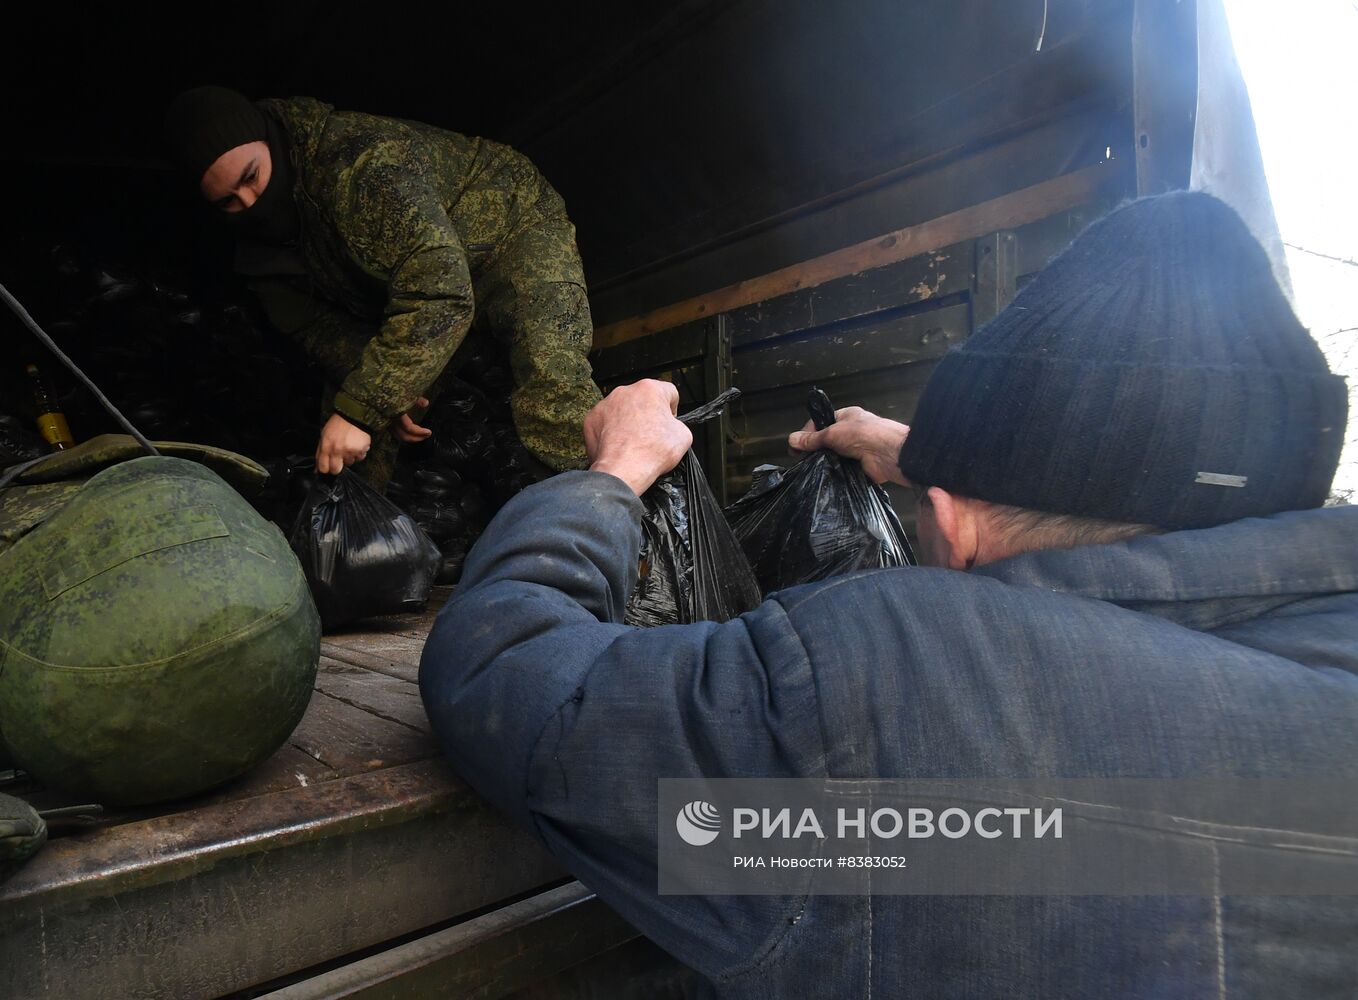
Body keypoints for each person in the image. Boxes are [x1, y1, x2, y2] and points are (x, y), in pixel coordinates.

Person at [418, 192, 1358, 996]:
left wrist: (616, 470)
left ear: (949, 528)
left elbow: (504, 675)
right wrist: (944, 462)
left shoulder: (883, 704)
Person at [163, 86, 601, 487]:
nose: (250, 204)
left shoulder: (357, 168)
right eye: (227, 202)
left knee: (550, 370)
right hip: (423, 283)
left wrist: (365, 406)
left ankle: (605, 521)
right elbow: (324, 332)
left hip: (510, 225)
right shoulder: (260, 256)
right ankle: (357, 554)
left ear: (268, 141)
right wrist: (387, 396)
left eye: (251, 176)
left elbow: (440, 292)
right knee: (346, 433)